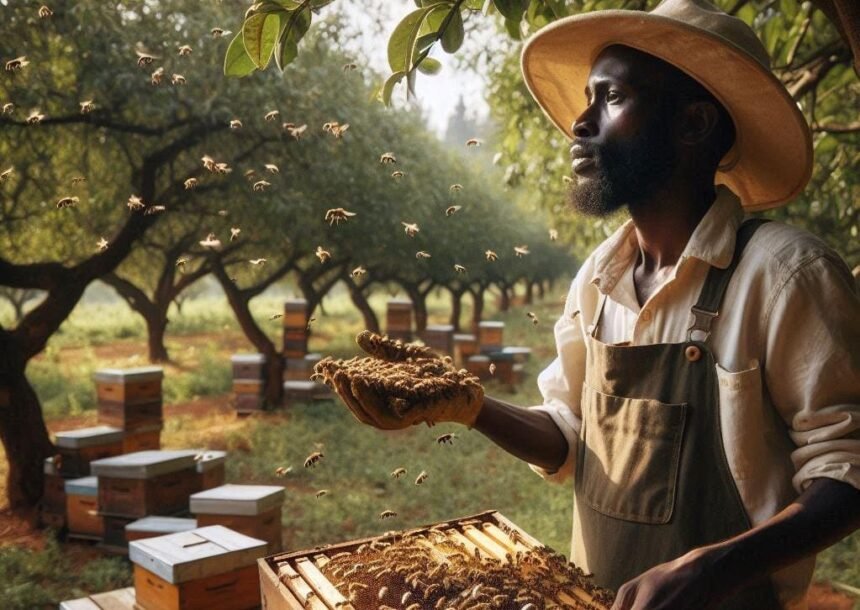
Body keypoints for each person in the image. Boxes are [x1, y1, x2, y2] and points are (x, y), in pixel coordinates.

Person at [326, 0, 860, 608]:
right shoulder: (597, 280)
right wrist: (466, 406)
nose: (580, 123)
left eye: (610, 98)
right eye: (586, 98)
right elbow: (569, 437)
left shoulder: (785, 274)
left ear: (693, 124)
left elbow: (846, 472)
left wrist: (714, 570)